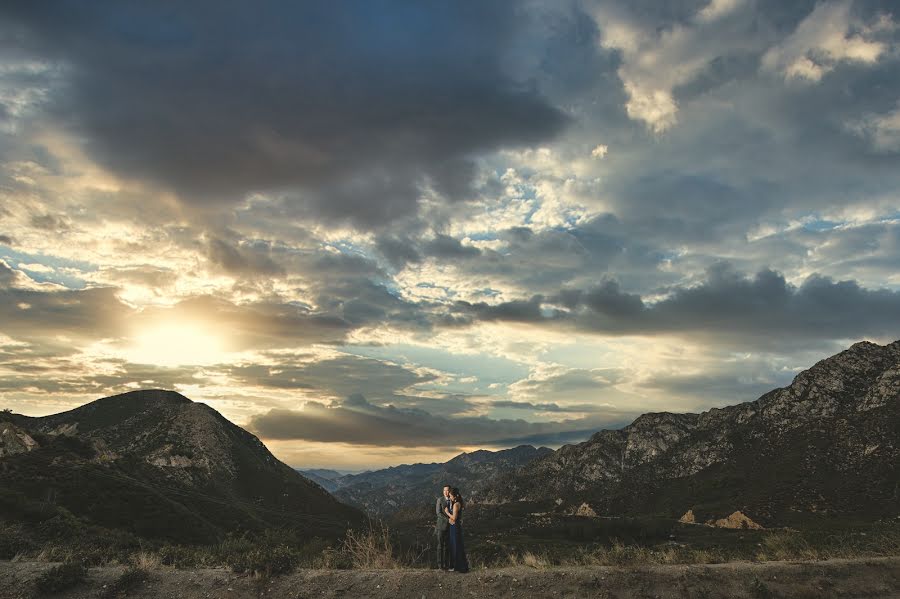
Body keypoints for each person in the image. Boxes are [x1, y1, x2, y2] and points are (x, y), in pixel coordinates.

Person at [444, 487, 469, 573]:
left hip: (455, 527)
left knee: (456, 545)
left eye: (451, 496)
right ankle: (459, 566)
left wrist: (447, 512)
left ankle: (460, 566)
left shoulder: (456, 505)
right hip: (454, 526)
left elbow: (454, 517)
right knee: (456, 545)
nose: (450, 497)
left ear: (455, 496)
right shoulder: (458, 503)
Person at [435, 484, 451, 570]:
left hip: (450, 527)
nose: (446, 492)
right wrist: (448, 519)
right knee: (440, 546)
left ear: (450, 491)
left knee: (447, 546)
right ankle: (440, 565)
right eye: (444, 490)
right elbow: (438, 513)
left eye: (447, 490)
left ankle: (447, 565)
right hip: (441, 526)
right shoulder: (440, 500)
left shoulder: (452, 500)